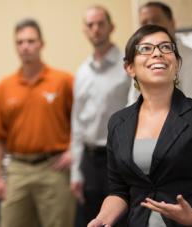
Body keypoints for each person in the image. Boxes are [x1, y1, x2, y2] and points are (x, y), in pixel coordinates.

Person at [87, 24, 192, 227]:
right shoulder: (118, 122)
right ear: (129, 67)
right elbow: (119, 192)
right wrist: (101, 220)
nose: (157, 53)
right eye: (146, 48)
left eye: (166, 47)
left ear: (177, 63)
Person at [0, 18, 75, 227]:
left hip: (53, 170)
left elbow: (80, 123)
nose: (25, 47)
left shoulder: (63, 81)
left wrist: (73, 151)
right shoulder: (4, 86)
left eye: (30, 41)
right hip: (18, 169)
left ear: (41, 44)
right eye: (20, 42)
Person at [70, 5, 131, 226]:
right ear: (85, 31)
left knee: (121, 219)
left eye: (100, 24)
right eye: (90, 25)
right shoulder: (82, 72)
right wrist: (75, 172)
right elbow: (77, 123)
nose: (95, 29)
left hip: (118, 158)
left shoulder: (128, 66)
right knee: (91, 220)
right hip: (89, 160)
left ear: (111, 27)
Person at [128, 1, 192, 105]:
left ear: (172, 24)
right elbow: (133, 104)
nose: (150, 27)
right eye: (144, 23)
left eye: (155, 20)